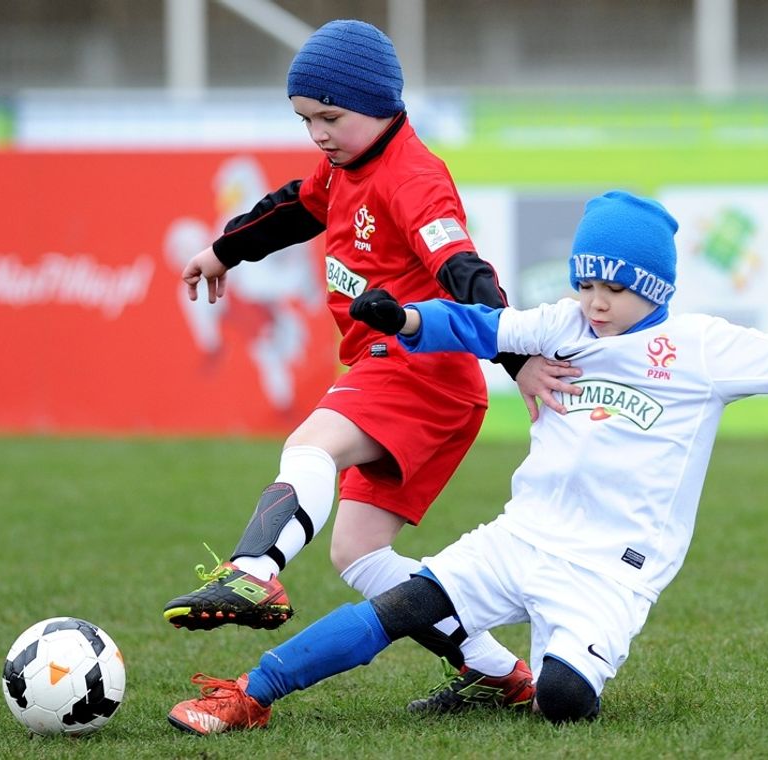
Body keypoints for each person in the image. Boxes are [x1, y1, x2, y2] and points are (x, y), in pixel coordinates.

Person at [165, 189, 768, 733]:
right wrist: (410, 319)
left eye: (613, 287)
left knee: (564, 701)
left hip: (612, 567)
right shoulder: (561, 322)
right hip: (522, 535)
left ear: (653, 289)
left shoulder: (702, 349)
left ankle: (529, 676)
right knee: (399, 608)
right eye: (585, 282)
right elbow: (480, 323)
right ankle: (251, 692)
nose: (594, 301)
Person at [162, 18, 579, 712]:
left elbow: (465, 274)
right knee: (357, 553)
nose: (318, 133)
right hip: (400, 375)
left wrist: (516, 357)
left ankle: (252, 570)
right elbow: (293, 207)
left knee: (309, 444)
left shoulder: (413, 178)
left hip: (419, 370)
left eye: (331, 116)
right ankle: (503, 677)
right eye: (305, 120)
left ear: (382, 102)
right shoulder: (345, 165)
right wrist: (225, 251)